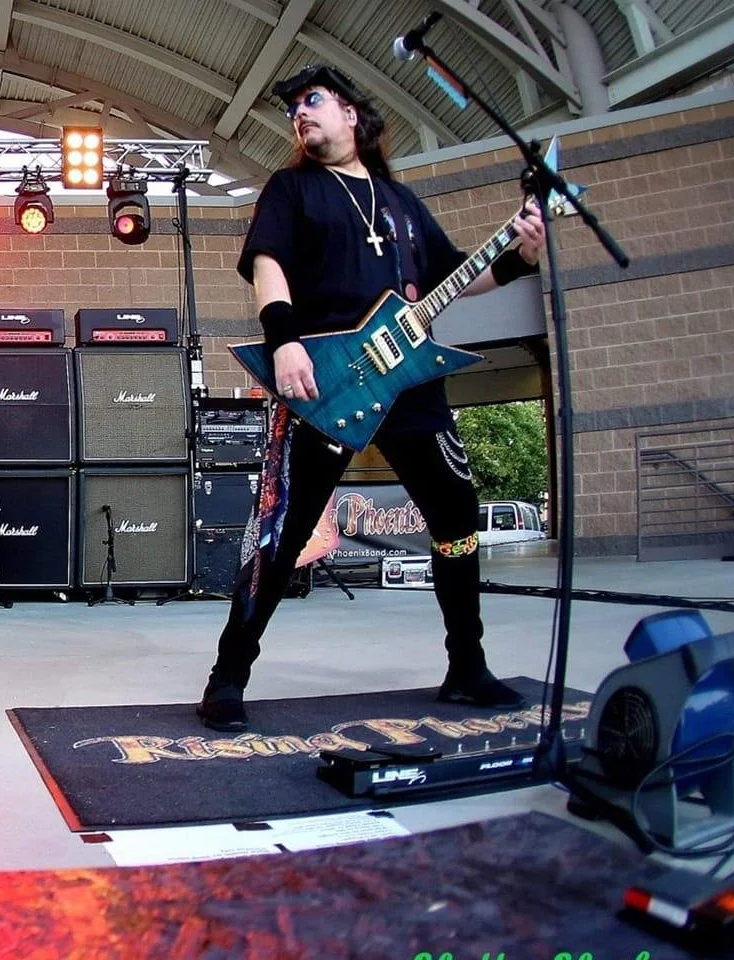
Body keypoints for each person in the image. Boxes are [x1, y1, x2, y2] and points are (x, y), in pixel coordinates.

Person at [198, 64, 546, 732]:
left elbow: (456, 276)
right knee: (283, 533)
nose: (300, 113)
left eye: (313, 101)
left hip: (411, 384)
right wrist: (283, 340)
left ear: (353, 114)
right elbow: (269, 265)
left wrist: (519, 256)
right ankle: (228, 676)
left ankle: (467, 668)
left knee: (456, 520)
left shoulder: (403, 205)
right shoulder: (291, 188)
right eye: (295, 108)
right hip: (325, 379)